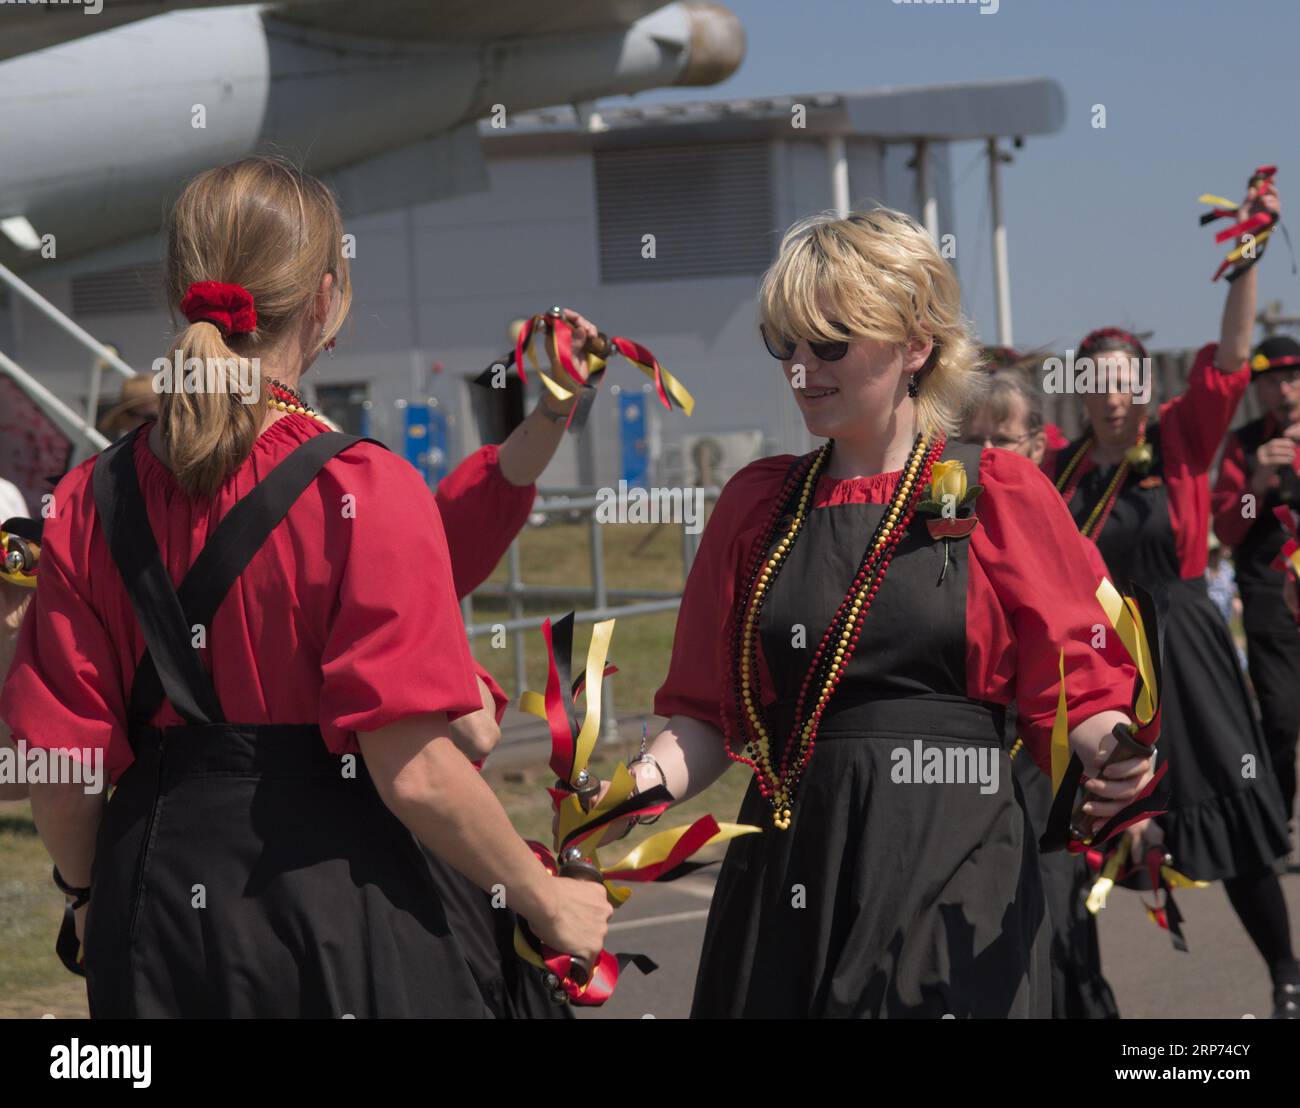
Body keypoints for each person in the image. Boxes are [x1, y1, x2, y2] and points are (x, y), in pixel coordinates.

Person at [0, 156, 609, 1017]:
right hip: (339, 909)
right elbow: (416, 770)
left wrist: (92, 900)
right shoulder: (362, 486)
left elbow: (63, 767)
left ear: (180, 290)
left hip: (156, 914)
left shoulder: (82, 501)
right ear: (326, 301)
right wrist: (546, 901)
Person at [593, 208, 1155, 1018]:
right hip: (794, 858)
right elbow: (706, 716)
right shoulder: (758, 505)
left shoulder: (996, 488)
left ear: (915, 344)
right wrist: (633, 791)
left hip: (951, 858)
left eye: (830, 342)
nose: (800, 367)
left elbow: (1076, 691)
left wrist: (1116, 753)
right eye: (782, 343)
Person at [1050, 179, 1298, 1017]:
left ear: (1143, 385)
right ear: (1081, 389)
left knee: (1233, 819)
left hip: (1186, 645)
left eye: (1125, 380)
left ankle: (1286, 975)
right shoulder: (1063, 472)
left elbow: (1232, 359)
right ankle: (1082, 996)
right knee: (1080, 835)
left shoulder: (1182, 439)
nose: (1113, 394)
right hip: (1106, 660)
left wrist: (1246, 261)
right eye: (1097, 381)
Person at [960, 365, 1120, 1019]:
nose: (988, 456)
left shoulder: (1072, 550)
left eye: (1003, 440)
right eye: (974, 441)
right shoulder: (936, 542)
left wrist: (1115, 758)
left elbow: (1096, 665)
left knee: (1055, 927)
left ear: (1035, 449)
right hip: (960, 771)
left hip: (1041, 767)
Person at [1212, 334, 1300, 839]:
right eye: (1271, 383)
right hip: (1270, 598)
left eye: (1290, 379)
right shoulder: (1245, 444)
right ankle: (1278, 817)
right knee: (1283, 719)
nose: (1283, 391)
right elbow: (1227, 529)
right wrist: (1257, 482)